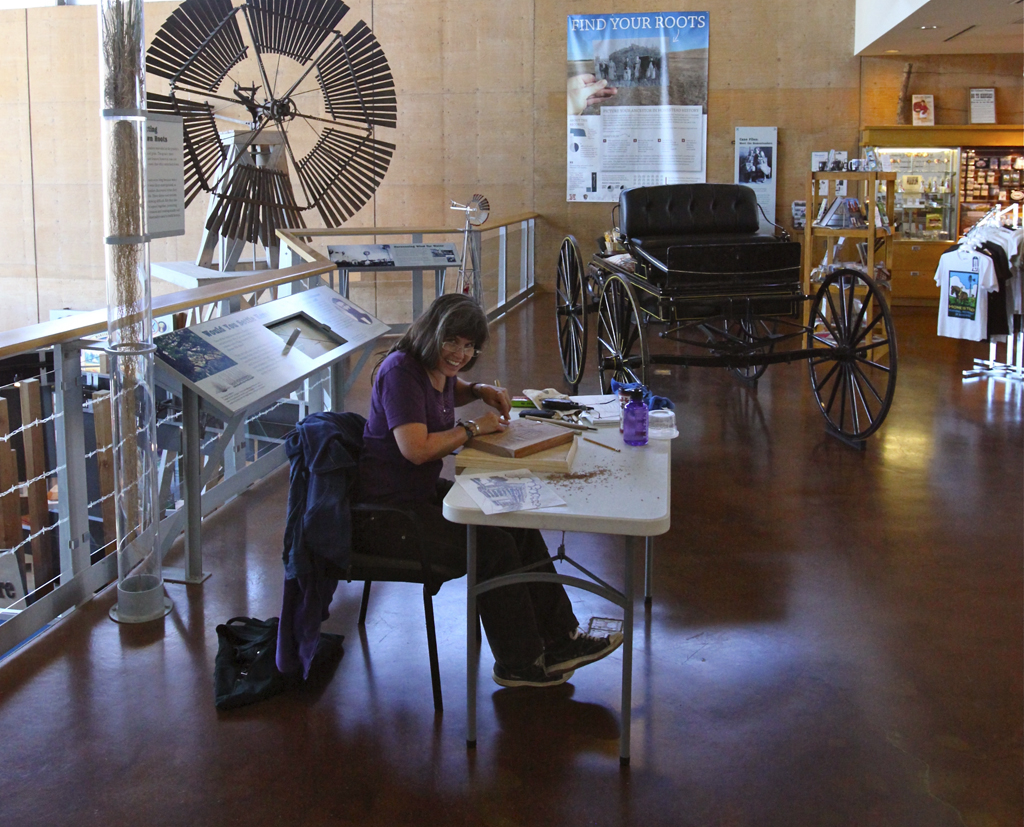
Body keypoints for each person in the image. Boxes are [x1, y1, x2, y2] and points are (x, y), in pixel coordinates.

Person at [356, 293, 623, 688]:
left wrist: (479, 389)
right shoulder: (401, 372)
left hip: (415, 496)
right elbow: (416, 450)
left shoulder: (434, 365)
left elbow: (451, 387)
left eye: (469, 347)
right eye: (452, 342)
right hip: (387, 516)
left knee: (516, 520)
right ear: (433, 332)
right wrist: (472, 428)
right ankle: (519, 664)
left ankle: (561, 638)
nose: (459, 354)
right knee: (492, 546)